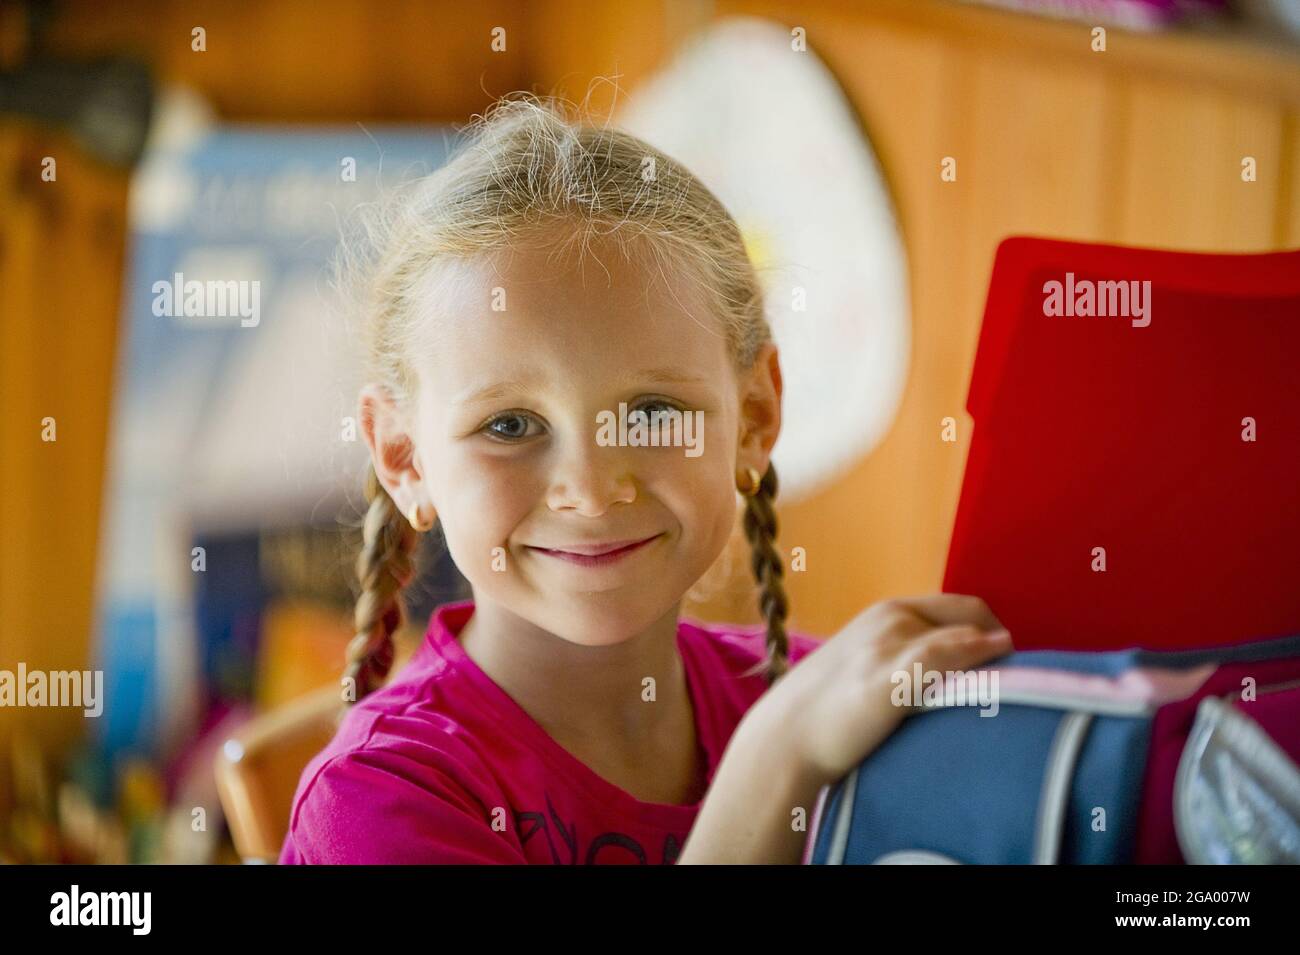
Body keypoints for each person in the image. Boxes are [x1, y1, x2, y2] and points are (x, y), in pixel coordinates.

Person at [278, 93, 1011, 864]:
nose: (592, 490)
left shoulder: (821, 699)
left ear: (754, 417)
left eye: (653, 412)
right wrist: (776, 763)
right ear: (404, 456)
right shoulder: (376, 802)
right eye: (510, 425)